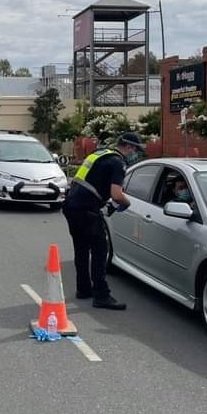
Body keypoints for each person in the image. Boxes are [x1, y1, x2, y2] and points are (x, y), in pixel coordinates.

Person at [62, 132, 145, 310]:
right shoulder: (118, 163)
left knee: (81, 248)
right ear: (129, 147)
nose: (135, 154)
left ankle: (83, 289)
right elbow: (116, 194)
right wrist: (126, 202)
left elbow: (91, 181)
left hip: (71, 205)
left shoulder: (99, 154)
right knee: (100, 250)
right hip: (86, 210)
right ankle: (101, 295)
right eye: (136, 150)